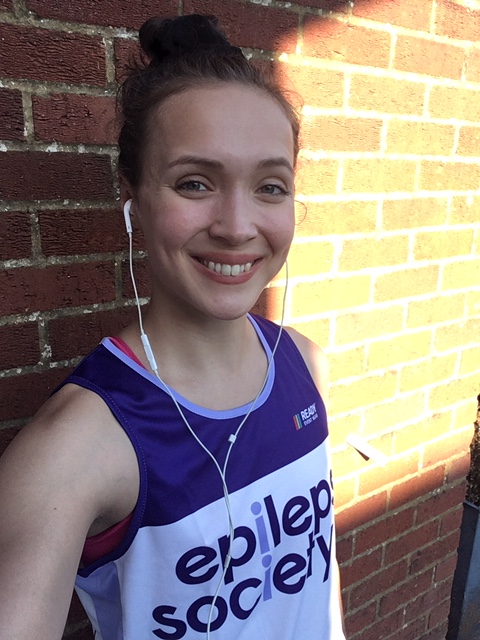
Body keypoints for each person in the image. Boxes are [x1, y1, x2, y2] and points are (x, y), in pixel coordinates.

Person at [0, 14, 346, 640]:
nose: (238, 226)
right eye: (194, 183)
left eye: (270, 186)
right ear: (133, 196)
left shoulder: (308, 366)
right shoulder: (76, 448)